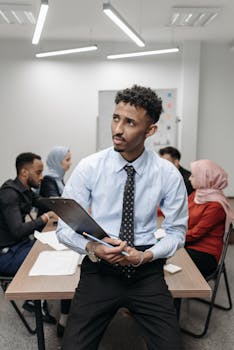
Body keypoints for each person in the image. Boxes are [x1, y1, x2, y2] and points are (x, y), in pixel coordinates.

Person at [57, 85, 188, 350]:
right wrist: (94, 247)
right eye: (116, 118)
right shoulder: (89, 167)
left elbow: (177, 233)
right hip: (100, 267)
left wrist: (146, 256)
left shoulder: (167, 174)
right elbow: (64, 228)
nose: (118, 129)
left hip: (146, 269)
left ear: (150, 130)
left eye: (130, 123)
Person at [0, 152, 56, 323]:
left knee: (51, 249)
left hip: (19, 246)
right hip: (5, 255)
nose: (41, 177)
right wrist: (45, 218)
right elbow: (17, 230)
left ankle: (36, 300)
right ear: (24, 173)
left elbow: (44, 203)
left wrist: (64, 207)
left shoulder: (25, 191)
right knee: (47, 258)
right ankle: (34, 301)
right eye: (38, 172)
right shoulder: (9, 194)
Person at [39, 146, 72, 337]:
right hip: (46, 230)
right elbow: (57, 205)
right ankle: (64, 317)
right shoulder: (49, 180)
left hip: (56, 225)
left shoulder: (58, 177)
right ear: (56, 161)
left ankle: (65, 316)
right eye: (66, 160)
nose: (70, 163)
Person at [185, 159, 234, 277]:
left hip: (205, 253)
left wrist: (171, 236)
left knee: (168, 259)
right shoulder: (197, 194)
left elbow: (195, 234)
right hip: (188, 244)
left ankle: (175, 294)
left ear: (204, 178)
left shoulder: (216, 205)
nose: (189, 178)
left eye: (193, 175)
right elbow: (179, 211)